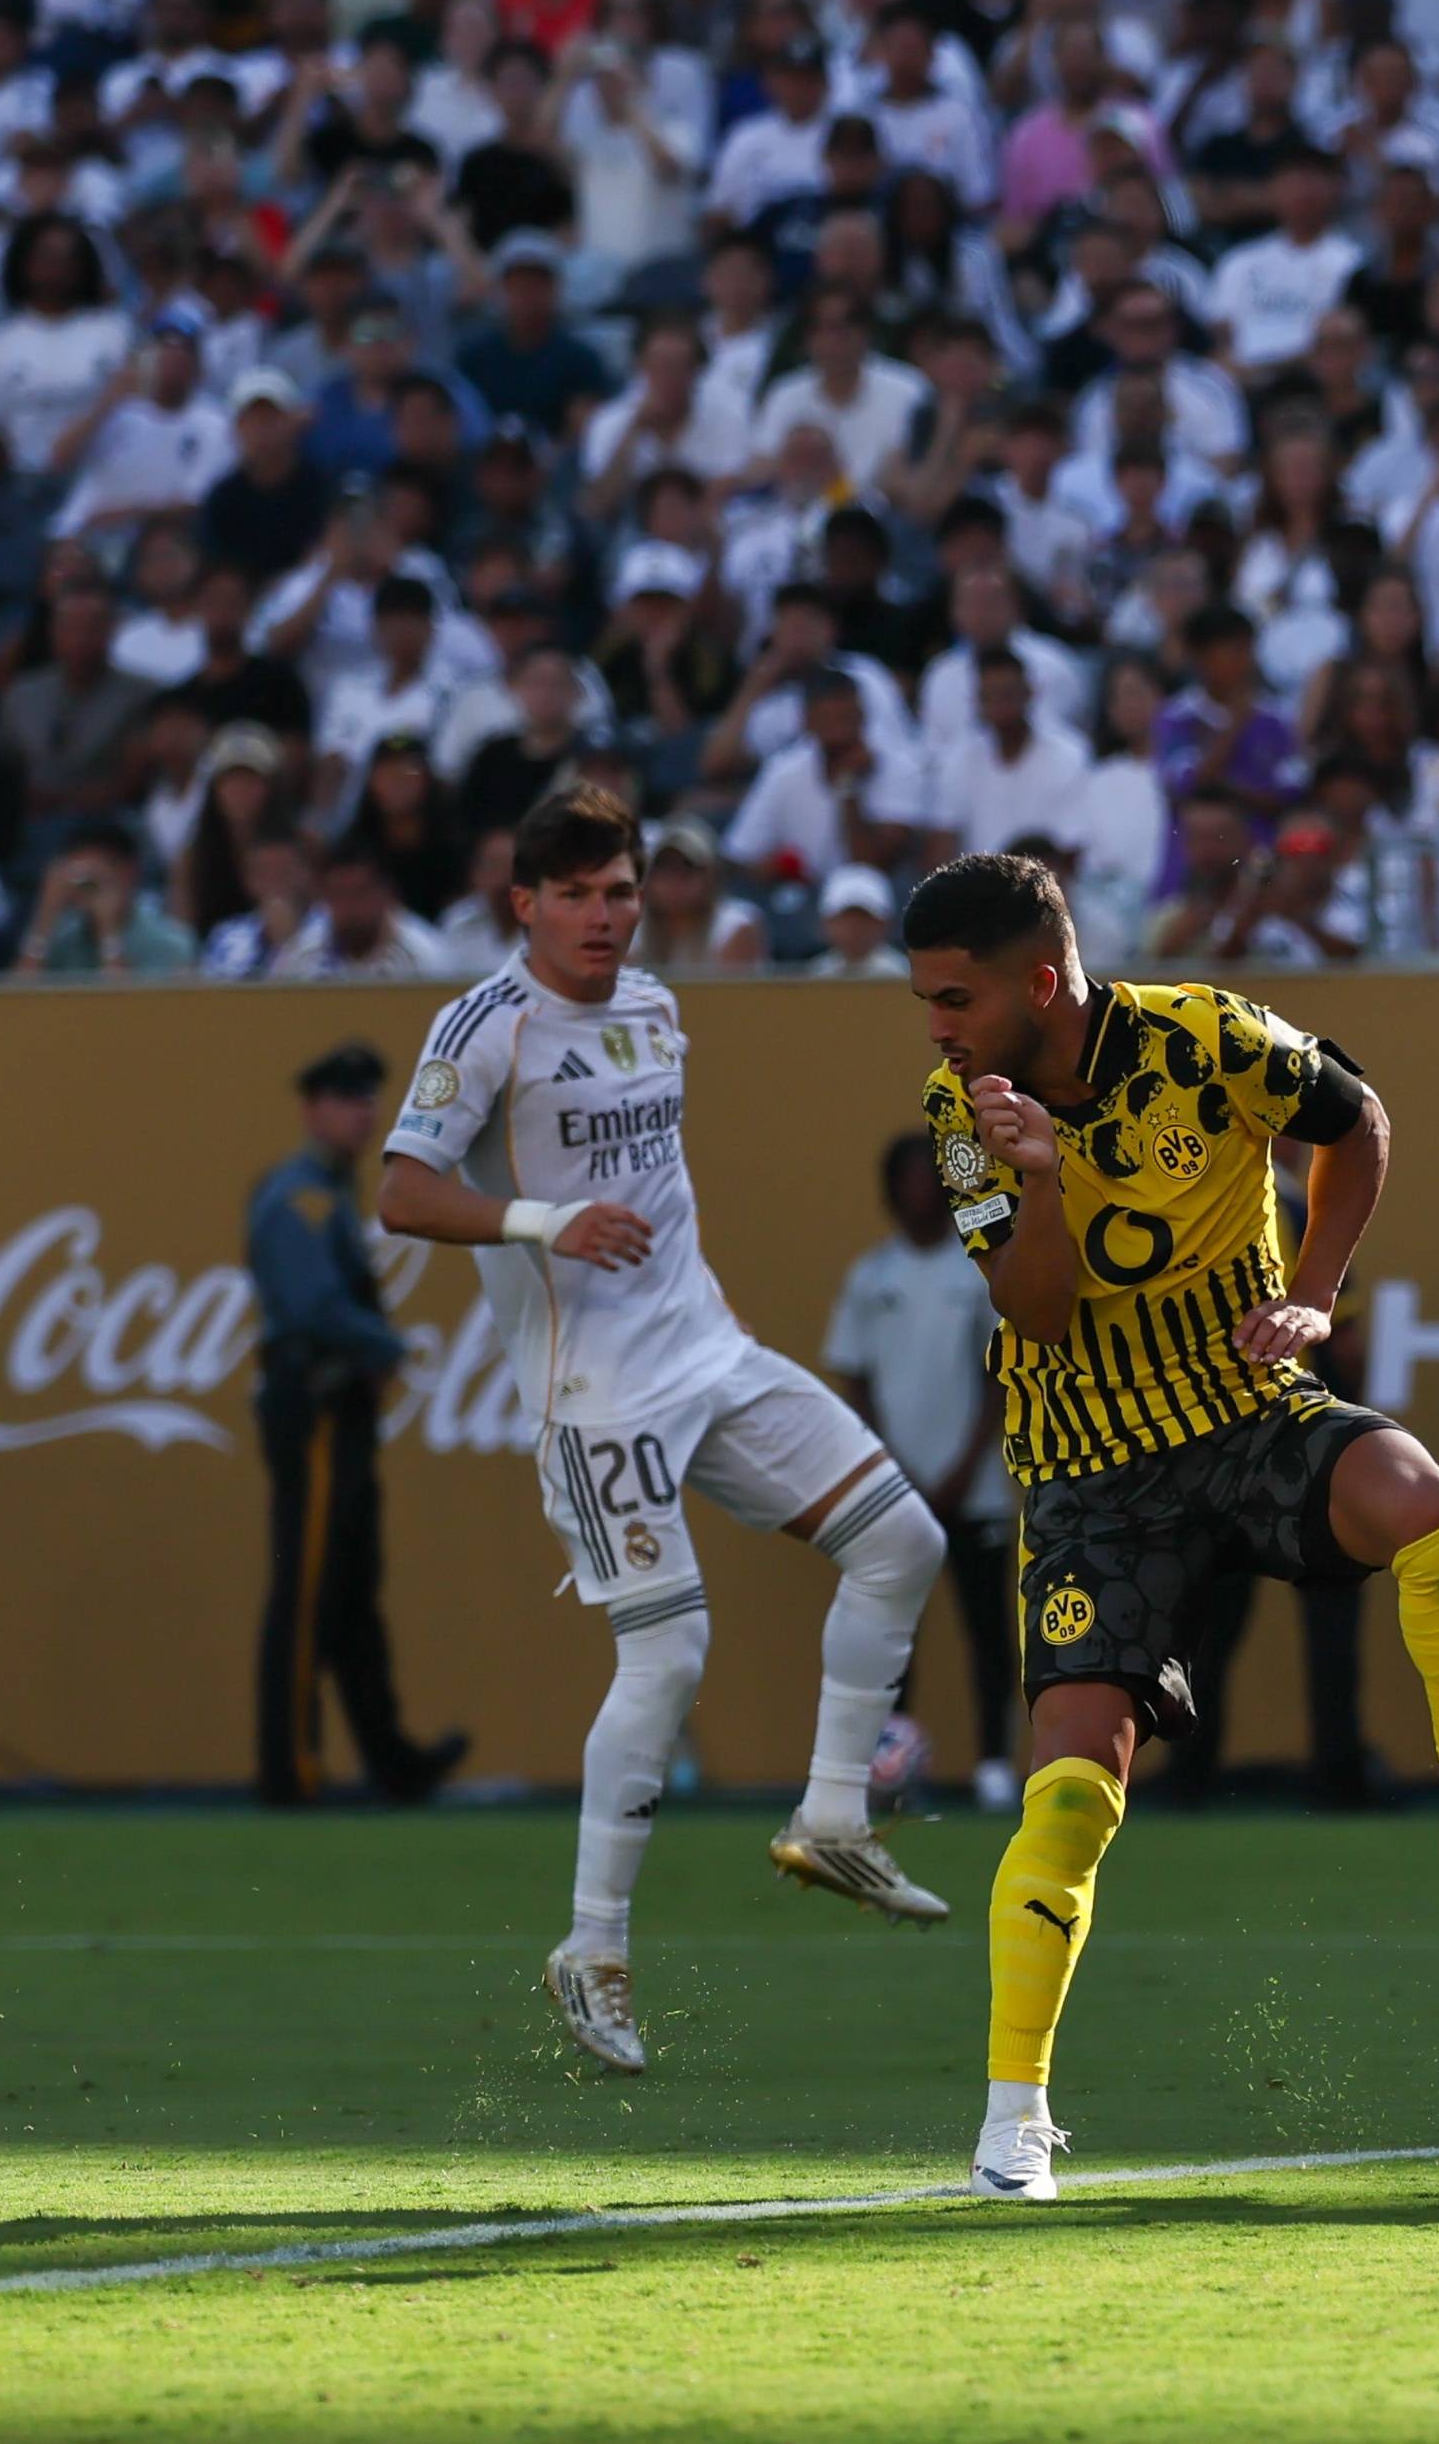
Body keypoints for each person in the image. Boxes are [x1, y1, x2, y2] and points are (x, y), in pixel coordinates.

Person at [900, 851, 1439, 2205]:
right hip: (1090, 1461)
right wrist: (1038, 1176)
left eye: (951, 996)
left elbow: (1360, 1122)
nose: (933, 1024)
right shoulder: (956, 1109)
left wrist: (1318, 1289)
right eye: (925, 1001)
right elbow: (1037, 1313)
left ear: (1037, 980)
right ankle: (1015, 2117)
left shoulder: (1206, 1036)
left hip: (1243, 1400)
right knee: (1069, 1792)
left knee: (1425, 1504)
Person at [380, 786, 955, 2078]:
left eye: (622, 890)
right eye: (577, 893)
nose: (604, 915)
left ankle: (831, 1813)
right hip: (600, 1394)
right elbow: (405, 1187)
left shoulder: (654, 1009)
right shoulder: (485, 1024)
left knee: (903, 1540)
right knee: (671, 1647)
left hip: (709, 1350)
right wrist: (542, 1221)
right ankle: (591, 1946)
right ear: (524, 901)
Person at [248, 1042, 468, 1809]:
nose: (362, 1111)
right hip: (313, 1403)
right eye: (346, 1097)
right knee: (309, 1589)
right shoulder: (300, 1197)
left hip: (338, 1408)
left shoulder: (331, 1191)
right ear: (313, 1109)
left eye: (369, 1097)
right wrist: (387, 1346)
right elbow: (310, 1307)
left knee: (348, 1588)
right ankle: (289, 1769)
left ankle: (393, 1760)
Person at [827, 1129, 1020, 1818]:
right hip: (896, 1489)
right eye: (903, 1181)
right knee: (893, 1632)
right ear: (889, 1193)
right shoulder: (870, 1277)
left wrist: (966, 1463)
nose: (917, 1193)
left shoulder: (975, 1273)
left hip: (975, 1487)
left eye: (925, 1179)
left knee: (988, 1630)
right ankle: (888, 1763)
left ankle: (996, 1761)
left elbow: (998, 1374)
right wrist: (891, 1465)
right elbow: (855, 1377)